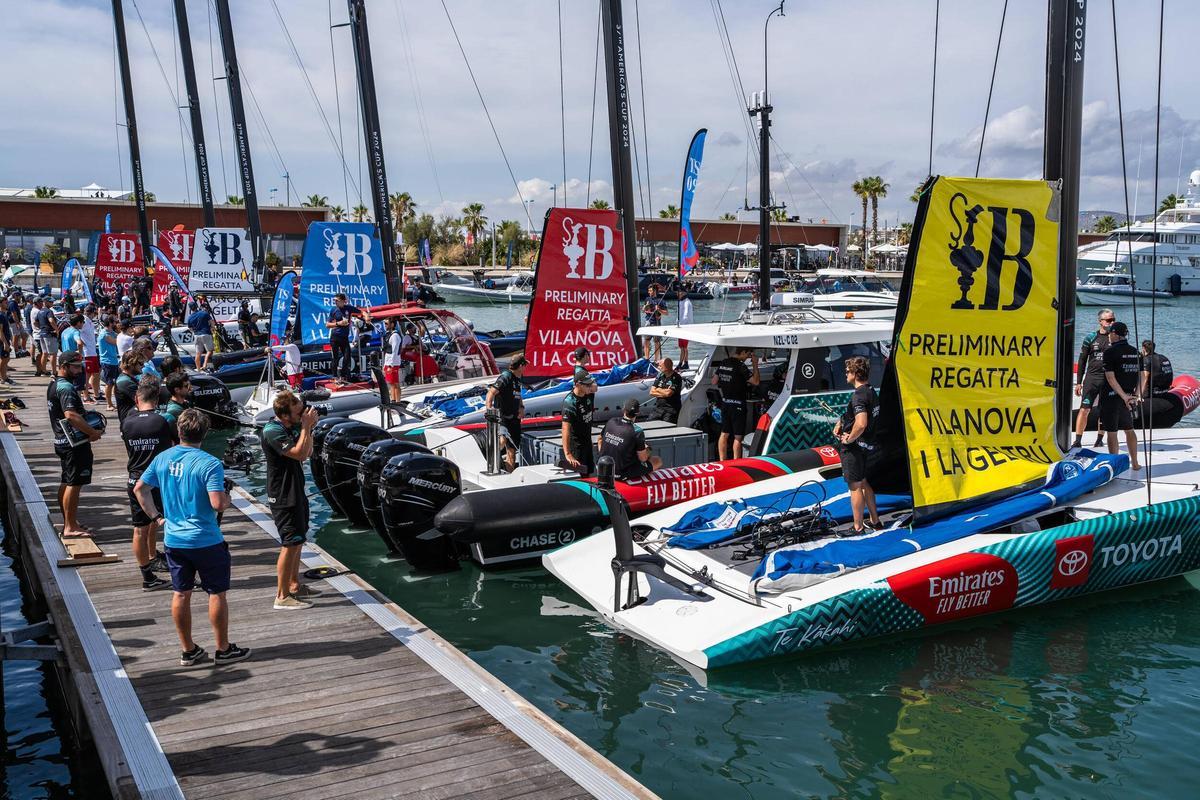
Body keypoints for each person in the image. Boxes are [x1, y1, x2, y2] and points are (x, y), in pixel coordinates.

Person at [135, 409, 249, 667]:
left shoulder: (163, 458)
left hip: (174, 540)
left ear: (179, 432)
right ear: (205, 433)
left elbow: (140, 489)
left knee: (180, 593)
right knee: (216, 593)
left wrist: (156, 517)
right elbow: (218, 503)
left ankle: (188, 650)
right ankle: (223, 649)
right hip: (206, 539)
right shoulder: (210, 464)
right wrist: (228, 499)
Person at [261, 390, 321, 610]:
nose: (301, 415)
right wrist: (305, 427)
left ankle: (294, 585)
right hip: (283, 495)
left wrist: (308, 427)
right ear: (285, 415)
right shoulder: (272, 431)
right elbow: (298, 453)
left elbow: (307, 451)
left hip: (296, 490)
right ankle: (281, 595)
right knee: (289, 543)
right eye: (297, 414)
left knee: (298, 539)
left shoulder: (292, 426)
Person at [122, 380, 174, 590]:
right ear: (156, 400)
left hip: (135, 479)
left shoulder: (127, 422)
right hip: (158, 481)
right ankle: (179, 567)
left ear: (137, 399)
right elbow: (175, 446)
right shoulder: (163, 421)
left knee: (140, 529)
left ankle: (147, 574)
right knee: (167, 523)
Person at [48, 352, 102, 538]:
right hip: (73, 444)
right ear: (64, 366)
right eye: (76, 366)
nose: (80, 370)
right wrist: (92, 432)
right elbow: (70, 415)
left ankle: (68, 521)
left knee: (67, 480)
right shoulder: (66, 388)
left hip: (62, 441)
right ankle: (70, 527)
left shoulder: (54, 383)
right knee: (74, 483)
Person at [832, 356, 882, 534]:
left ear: (855, 373)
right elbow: (857, 416)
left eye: (847, 371)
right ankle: (875, 521)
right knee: (863, 482)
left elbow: (861, 423)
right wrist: (842, 421)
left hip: (854, 448)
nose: (845, 374)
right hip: (867, 446)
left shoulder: (858, 395)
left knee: (855, 486)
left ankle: (858, 527)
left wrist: (849, 439)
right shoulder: (871, 391)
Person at [1100, 321, 1142, 470]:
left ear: (1115, 334)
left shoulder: (1110, 352)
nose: (1109, 337)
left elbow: (1111, 378)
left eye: (1110, 333)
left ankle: (1115, 466)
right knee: (1129, 429)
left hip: (1113, 397)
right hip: (1130, 397)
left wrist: (1123, 396)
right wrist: (1135, 396)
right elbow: (1142, 377)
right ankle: (1135, 463)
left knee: (1112, 432)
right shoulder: (1136, 352)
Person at [1072, 308, 1115, 449]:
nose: (1112, 322)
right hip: (1092, 379)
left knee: (1104, 410)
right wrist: (1078, 383)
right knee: (1084, 409)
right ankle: (1078, 440)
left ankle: (1099, 439)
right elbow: (1082, 360)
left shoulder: (1115, 338)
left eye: (1113, 319)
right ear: (1100, 322)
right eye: (1109, 320)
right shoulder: (1090, 337)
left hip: (1108, 380)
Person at [713, 347, 761, 460]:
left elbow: (714, 381)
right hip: (738, 404)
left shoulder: (723, 362)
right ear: (743, 352)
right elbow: (756, 382)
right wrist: (755, 364)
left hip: (725, 403)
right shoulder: (740, 366)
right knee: (738, 437)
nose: (748, 357)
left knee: (724, 434)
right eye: (748, 354)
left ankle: (722, 461)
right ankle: (736, 462)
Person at [599, 398, 662, 480]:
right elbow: (643, 458)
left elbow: (600, 439)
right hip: (620, 474)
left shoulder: (611, 421)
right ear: (638, 413)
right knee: (657, 460)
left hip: (603, 468)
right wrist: (648, 449)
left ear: (623, 410)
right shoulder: (637, 431)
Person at [484, 355, 526, 472]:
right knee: (502, 441)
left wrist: (521, 406)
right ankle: (490, 461)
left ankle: (509, 475)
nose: (526, 368)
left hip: (514, 419)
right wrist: (489, 410)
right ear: (521, 366)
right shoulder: (506, 376)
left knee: (512, 452)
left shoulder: (518, 378)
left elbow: (518, 394)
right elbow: (491, 393)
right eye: (525, 366)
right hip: (502, 418)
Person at [560, 371, 597, 476]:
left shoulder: (589, 393)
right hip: (576, 446)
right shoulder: (570, 402)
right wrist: (568, 454)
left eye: (591, 383)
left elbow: (595, 387)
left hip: (587, 442)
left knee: (589, 472)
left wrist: (589, 380)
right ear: (578, 385)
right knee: (581, 476)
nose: (591, 386)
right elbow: (565, 429)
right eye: (587, 384)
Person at [326, 293, 360, 383]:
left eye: (337, 300)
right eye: (335, 300)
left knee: (347, 356)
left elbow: (360, 311)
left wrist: (366, 315)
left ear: (343, 301)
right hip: (335, 337)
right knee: (335, 357)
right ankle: (334, 377)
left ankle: (343, 376)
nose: (335, 302)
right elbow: (327, 324)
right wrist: (338, 323)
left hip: (344, 337)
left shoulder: (348, 308)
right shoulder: (333, 309)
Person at [646, 357, 683, 423]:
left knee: (667, 428)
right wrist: (663, 391)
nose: (658, 367)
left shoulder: (676, 377)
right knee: (649, 423)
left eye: (660, 366)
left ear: (666, 367)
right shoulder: (660, 375)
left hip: (670, 410)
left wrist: (658, 389)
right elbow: (651, 392)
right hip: (659, 408)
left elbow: (668, 393)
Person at [114, 350, 146, 424]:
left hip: (134, 419)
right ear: (131, 364)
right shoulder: (125, 382)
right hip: (131, 422)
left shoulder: (130, 378)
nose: (143, 366)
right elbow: (144, 401)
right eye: (141, 363)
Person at [98, 315, 121, 411]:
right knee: (109, 383)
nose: (116, 324)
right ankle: (109, 404)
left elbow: (120, 336)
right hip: (108, 361)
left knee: (115, 383)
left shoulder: (111, 332)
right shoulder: (105, 334)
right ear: (111, 323)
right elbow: (117, 342)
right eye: (114, 322)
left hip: (113, 361)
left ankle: (114, 402)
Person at [80, 304, 101, 403]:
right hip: (87, 352)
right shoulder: (83, 321)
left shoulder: (90, 322)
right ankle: (86, 396)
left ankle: (96, 394)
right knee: (87, 375)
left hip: (92, 351)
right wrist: (83, 345)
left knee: (96, 373)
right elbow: (77, 332)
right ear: (91, 313)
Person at [641, 285, 668, 360]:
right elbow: (644, 310)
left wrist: (659, 309)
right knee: (646, 340)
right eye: (648, 291)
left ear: (655, 291)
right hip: (648, 322)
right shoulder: (647, 299)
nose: (649, 292)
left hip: (656, 323)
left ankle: (656, 360)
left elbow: (666, 313)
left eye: (651, 291)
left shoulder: (661, 300)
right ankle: (646, 358)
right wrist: (644, 308)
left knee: (657, 341)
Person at [34, 296, 59, 376]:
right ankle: (54, 372)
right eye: (51, 302)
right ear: (46, 302)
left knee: (44, 353)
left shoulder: (40, 311)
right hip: (49, 334)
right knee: (53, 354)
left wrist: (42, 327)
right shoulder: (49, 311)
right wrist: (56, 329)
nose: (52, 303)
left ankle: (43, 370)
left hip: (42, 333)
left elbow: (35, 322)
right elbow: (51, 320)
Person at [382, 316, 404, 402]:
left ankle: (398, 401)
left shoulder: (395, 336)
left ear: (392, 324)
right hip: (388, 362)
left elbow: (394, 351)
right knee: (391, 383)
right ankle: (393, 400)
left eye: (386, 324)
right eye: (384, 323)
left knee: (395, 383)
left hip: (393, 363)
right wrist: (385, 365)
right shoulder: (389, 334)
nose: (385, 325)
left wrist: (390, 365)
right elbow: (388, 352)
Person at [186, 302, 214, 371]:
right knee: (210, 351)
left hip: (196, 335)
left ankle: (198, 369)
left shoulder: (190, 317)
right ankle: (204, 365)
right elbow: (211, 322)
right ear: (197, 306)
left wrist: (195, 332)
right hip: (206, 333)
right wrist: (213, 328)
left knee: (198, 353)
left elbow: (190, 329)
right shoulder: (204, 313)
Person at [675, 287, 694, 369]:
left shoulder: (687, 302)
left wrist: (682, 326)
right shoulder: (680, 302)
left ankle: (684, 363)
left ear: (683, 293)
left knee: (685, 347)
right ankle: (682, 363)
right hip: (680, 327)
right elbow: (679, 314)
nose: (677, 294)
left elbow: (686, 315)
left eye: (679, 292)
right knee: (681, 347)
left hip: (685, 327)